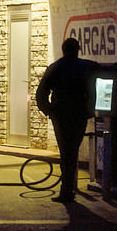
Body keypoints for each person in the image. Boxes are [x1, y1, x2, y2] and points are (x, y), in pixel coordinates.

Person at [36, 37, 97, 202]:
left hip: (60, 116)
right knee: (72, 151)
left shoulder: (54, 68)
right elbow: (107, 70)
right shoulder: (85, 66)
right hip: (79, 115)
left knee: (65, 152)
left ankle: (66, 191)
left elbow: (40, 94)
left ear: (63, 50)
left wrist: (50, 111)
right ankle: (67, 190)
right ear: (78, 50)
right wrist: (89, 111)